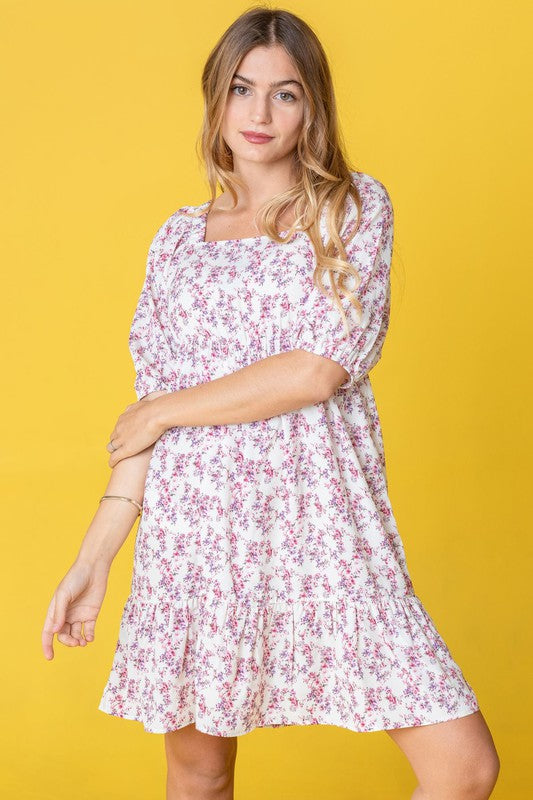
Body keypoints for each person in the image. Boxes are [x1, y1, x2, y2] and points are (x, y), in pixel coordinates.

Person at [41, 6, 500, 800]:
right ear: (214, 99)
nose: (259, 114)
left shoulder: (352, 210)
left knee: (462, 768)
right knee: (198, 769)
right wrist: (96, 555)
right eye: (241, 89)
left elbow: (321, 368)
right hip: (198, 532)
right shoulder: (177, 240)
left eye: (284, 95)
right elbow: (147, 407)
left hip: (324, 527)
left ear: (313, 106)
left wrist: (162, 410)